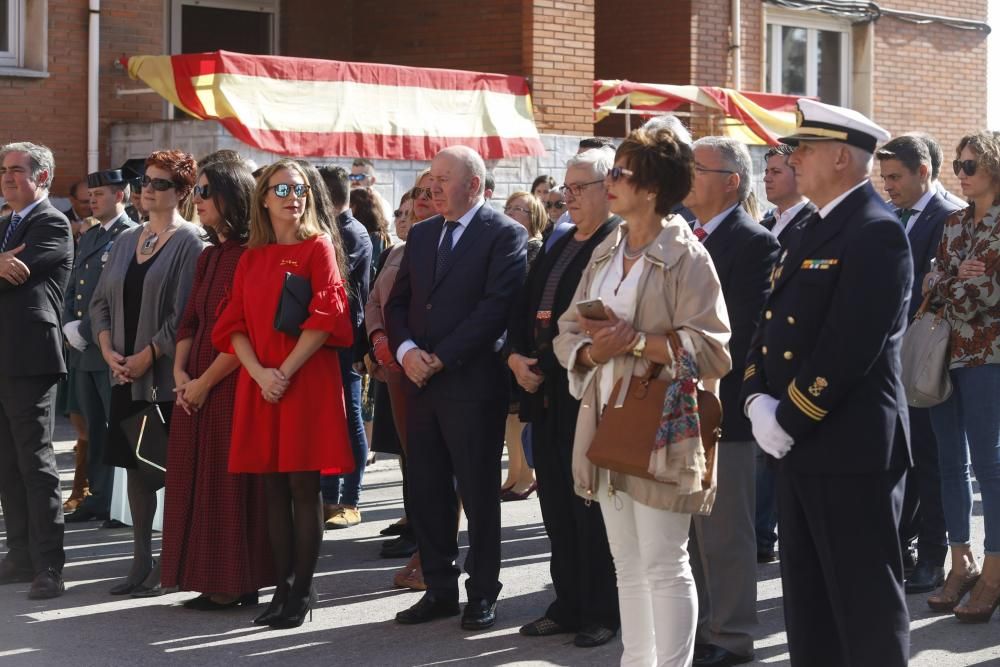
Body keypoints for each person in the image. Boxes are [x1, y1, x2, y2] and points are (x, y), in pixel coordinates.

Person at [553, 127, 732, 666]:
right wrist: (592, 353)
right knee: (626, 562)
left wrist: (639, 343)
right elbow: (567, 330)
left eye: (620, 173)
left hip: (660, 427)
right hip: (605, 418)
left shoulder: (687, 257)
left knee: (663, 561)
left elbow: (714, 350)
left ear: (651, 187)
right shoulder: (608, 247)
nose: (609, 182)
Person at [741, 99, 911, 665]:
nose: (792, 158)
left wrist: (785, 416)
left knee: (862, 607)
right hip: (799, 444)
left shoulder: (874, 231)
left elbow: (849, 346)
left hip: (848, 445)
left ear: (841, 158)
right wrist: (754, 397)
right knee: (810, 607)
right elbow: (768, 324)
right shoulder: (813, 226)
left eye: (802, 150)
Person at [385, 145, 527, 631]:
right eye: (431, 181)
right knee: (426, 490)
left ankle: (482, 591)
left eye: (443, 180)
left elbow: (495, 309)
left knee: (479, 491)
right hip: (420, 384)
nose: (433, 189)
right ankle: (439, 589)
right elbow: (398, 304)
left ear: (473, 184)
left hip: (470, 384)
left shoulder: (505, 234)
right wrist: (406, 353)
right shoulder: (422, 236)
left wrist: (441, 357)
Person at [212, 159, 354, 629]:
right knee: (272, 487)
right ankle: (282, 587)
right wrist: (259, 374)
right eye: (282, 189)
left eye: (300, 189)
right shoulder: (251, 257)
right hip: (263, 385)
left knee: (301, 485)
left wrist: (283, 373)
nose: (294, 196)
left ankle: (303, 590)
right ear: (263, 199)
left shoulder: (319, 248)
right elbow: (232, 325)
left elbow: (326, 316)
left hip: (304, 383)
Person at [508, 147, 621, 648]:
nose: (565, 198)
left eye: (578, 189)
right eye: (564, 189)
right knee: (554, 502)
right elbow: (524, 306)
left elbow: (593, 323)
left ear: (608, 189)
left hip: (584, 391)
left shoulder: (615, 242)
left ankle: (602, 608)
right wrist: (514, 357)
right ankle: (567, 602)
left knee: (589, 506)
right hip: (543, 389)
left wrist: (546, 363)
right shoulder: (558, 241)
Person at [159, 158, 273, 610]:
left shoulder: (252, 254)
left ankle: (234, 583)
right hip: (196, 382)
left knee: (227, 485)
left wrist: (204, 381)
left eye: (206, 192)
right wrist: (180, 374)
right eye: (198, 191)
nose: (198, 200)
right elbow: (191, 319)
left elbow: (247, 329)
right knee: (195, 479)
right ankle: (206, 578)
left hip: (232, 379)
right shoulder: (210, 255)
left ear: (233, 196)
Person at [91, 150, 206, 597]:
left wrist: (147, 354)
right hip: (122, 374)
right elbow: (99, 302)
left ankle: (174, 558)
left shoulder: (192, 242)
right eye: (145, 182)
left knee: (169, 471)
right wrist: (107, 349)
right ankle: (141, 559)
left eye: (159, 184)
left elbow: (184, 314)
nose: (147, 189)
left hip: (163, 378)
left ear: (181, 193)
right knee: (136, 471)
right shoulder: (125, 240)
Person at [684, 136, 780, 666]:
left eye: (697, 169)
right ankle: (701, 625)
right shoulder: (682, 236)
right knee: (691, 532)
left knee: (725, 533)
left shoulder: (754, 244)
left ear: (730, 182)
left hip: (724, 409)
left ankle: (732, 635)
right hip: (678, 404)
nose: (687, 176)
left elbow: (743, 333)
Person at [876, 135, 960, 595]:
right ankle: (901, 548)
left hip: (925, 355)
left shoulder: (948, 215)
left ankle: (933, 557)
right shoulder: (890, 214)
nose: (888, 187)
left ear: (923, 171)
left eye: (895, 177)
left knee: (930, 458)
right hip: (889, 357)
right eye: (884, 177)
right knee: (898, 458)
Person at [922, 131, 1000, 623]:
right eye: (958, 165)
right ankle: (960, 561)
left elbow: (988, 295)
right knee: (949, 463)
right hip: (943, 354)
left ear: (994, 166)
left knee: (989, 465)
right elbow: (931, 283)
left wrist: (947, 281)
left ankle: (993, 570)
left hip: (988, 355)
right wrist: (954, 278)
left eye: (970, 165)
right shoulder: (952, 223)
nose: (962, 174)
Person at [0, 142, 74, 600]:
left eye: (16, 171)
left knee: (36, 462)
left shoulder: (51, 222)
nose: (7, 178)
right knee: (7, 463)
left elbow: (19, 272)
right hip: (3, 357)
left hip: (30, 359)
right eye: (3, 171)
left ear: (43, 177)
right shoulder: (5, 225)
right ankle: (19, 554)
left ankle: (50, 564)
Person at [62, 169, 137, 525]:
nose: (93, 200)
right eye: (91, 195)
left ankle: (117, 503)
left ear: (120, 195)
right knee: (91, 426)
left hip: (107, 345)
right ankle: (97, 496)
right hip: (82, 348)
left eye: (101, 194)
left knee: (114, 425)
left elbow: (111, 293)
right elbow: (72, 283)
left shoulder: (131, 233)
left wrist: (88, 330)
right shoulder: (91, 234)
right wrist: (66, 324)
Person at [755, 145, 817, 567]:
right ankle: (759, 531)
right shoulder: (766, 224)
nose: (769, 177)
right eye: (767, 171)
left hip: (794, 361)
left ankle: (765, 533)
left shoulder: (813, 225)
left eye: (778, 170)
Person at [320, 165, 373, 530]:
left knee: (350, 417)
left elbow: (332, 279)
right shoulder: (327, 231)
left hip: (347, 340)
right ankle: (328, 496)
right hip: (325, 340)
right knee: (327, 419)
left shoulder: (352, 233)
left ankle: (350, 499)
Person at [500, 190, 546, 501]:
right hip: (508, 338)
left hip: (525, 341)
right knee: (509, 415)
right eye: (509, 207)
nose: (511, 212)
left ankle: (526, 473)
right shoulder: (508, 245)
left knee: (519, 414)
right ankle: (515, 471)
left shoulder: (536, 248)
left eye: (520, 209)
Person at [761, 144, 816, 249]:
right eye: (767, 172)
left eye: (776, 172)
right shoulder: (763, 226)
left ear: (799, 174)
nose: (766, 178)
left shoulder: (816, 223)